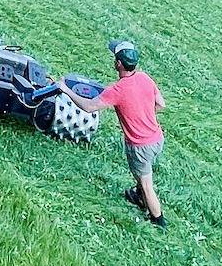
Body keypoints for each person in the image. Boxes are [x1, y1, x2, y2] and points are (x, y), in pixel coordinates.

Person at [60, 39, 166, 227]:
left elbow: (90, 106)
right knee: (141, 173)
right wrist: (141, 113)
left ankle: (158, 220)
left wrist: (66, 90)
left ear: (118, 64)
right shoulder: (144, 78)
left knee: (146, 183)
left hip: (140, 146)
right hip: (157, 139)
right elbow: (161, 104)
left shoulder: (117, 90)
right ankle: (138, 197)